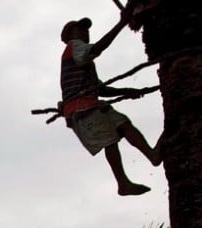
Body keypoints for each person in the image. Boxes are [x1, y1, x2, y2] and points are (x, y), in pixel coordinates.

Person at [59, 10, 162, 196]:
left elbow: (101, 89)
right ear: (69, 36)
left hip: (91, 104)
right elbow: (98, 48)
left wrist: (128, 91)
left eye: (85, 29)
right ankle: (123, 183)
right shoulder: (75, 47)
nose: (85, 32)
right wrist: (121, 24)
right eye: (79, 29)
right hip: (80, 108)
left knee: (122, 123)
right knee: (110, 139)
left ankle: (152, 155)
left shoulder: (82, 60)